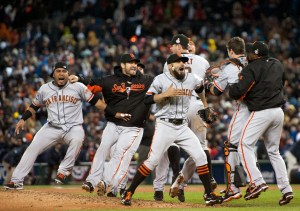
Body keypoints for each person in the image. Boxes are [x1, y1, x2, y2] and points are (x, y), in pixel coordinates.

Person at [3, 62, 126, 190]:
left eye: (64, 71)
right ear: (53, 74)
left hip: (73, 127)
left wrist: (114, 113)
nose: (61, 73)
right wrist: (23, 119)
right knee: (32, 148)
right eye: (58, 71)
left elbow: (96, 102)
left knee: (78, 139)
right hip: (51, 127)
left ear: (68, 74)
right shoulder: (45, 89)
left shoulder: (78, 86)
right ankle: (16, 181)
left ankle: (63, 172)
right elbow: (35, 106)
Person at [121, 53, 223, 206]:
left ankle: (209, 194)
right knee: (153, 160)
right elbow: (147, 99)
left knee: (201, 156)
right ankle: (129, 191)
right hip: (165, 125)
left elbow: (201, 87)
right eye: (178, 62)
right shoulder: (160, 79)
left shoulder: (191, 78)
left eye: (183, 62)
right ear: (170, 66)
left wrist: (204, 103)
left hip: (182, 126)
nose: (182, 64)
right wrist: (163, 95)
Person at [70, 54, 154, 196]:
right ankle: (92, 181)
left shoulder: (146, 81)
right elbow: (92, 83)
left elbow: (163, 81)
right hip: (113, 124)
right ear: (122, 65)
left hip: (133, 127)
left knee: (120, 155)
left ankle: (109, 183)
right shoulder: (110, 80)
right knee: (103, 149)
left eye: (136, 63)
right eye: (131, 63)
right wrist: (79, 78)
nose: (134, 65)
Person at [229, 41, 294, 205]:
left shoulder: (252, 67)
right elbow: (283, 82)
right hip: (278, 112)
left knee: (244, 145)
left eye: (250, 53)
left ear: (256, 55)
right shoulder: (277, 63)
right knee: (274, 151)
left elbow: (237, 92)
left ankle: (257, 181)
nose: (248, 55)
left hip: (262, 112)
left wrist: (236, 87)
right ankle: (286, 189)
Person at [156, 34, 216, 203]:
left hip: (177, 104)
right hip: (197, 104)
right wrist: (205, 104)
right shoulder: (202, 61)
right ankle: (206, 182)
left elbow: (167, 85)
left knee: (171, 143)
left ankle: (174, 178)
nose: (170, 48)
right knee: (201, 147)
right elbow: (206, 86)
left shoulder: (170, 62)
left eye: (172, 45)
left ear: (178, 46)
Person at [205, 37, 249, 202]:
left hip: (243, 108)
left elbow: (216, 91)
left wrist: (205, 83)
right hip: (260, 107)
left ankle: (233, 188)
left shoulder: (230, 66)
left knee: (230, 146)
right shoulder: (252, 61)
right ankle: (253, 182)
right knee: (252, 147)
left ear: (230, 50)